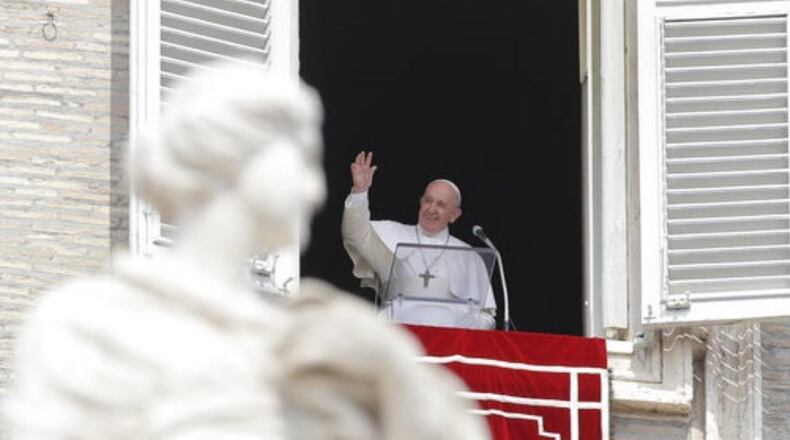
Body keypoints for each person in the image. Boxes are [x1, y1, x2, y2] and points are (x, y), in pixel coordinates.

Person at [4, 62, 490, 440]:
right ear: (228, 161)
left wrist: (389, 373)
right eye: (298, 159)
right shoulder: (88, 326)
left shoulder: (318, 338)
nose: (313, 188)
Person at [342, 151, 496, 329]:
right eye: (428, 201)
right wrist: (360, 192)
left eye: (441, 204)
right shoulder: (393, 235)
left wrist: (464, 322)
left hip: (451, 343)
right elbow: (355, 235)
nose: (432, 209)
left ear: (454, 214)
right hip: (399, 337)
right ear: (421, 202)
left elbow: (487, 317)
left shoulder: (470, 257)